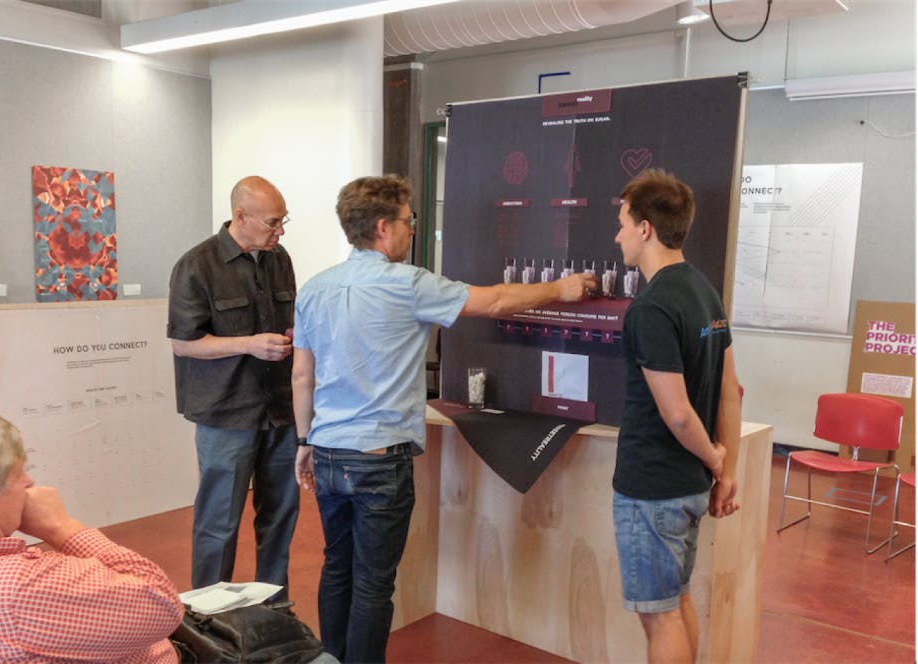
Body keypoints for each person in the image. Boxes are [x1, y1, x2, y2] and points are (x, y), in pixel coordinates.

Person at [291, 174, 597, 663]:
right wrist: (561, 288)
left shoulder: (314, 288)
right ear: (384, 227)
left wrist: (304, 441)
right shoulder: (408, 285)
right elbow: (494, 300)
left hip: (327, 452)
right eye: (410, 222)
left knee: (336, 569)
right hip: (378, 459)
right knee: (372, 584)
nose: (413, 231)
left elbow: (302, 376)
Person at [0, 407, 184, 664]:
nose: (29, 482)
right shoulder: (19, 587)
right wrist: (60, 526)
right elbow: (163, 605)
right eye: (17, 473)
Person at [610, 168, 742, 664]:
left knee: (661, 615)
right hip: (685, 487)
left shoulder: (652, 307)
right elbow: (732, 391)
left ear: (646, 228)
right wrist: (724, 471)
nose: (618, 234)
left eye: (624, 223)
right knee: (678, 601)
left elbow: (680, 416)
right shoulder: (705, 292)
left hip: (652, 491)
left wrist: (716, 457)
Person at [167, 175, 299, 591]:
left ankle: (273, 606)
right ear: (240, 216)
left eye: (283, 222)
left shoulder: (280, 259)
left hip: (280, 411)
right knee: (219, 523)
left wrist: (293, 337)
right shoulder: (196, 266)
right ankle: (208, 616)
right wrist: (250, 345)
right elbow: (183, 344)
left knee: (280, 516)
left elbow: (289, 320)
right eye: (272, 223)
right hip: (226, 415)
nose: (279, 231)